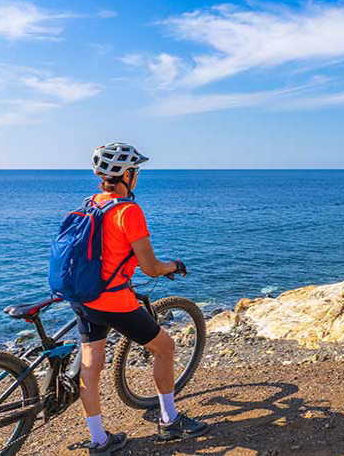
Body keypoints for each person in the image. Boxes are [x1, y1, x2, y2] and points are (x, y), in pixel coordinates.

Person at [73, 142, 208, 455]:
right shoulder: (127, 211)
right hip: (113, 301)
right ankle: (170, 421)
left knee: (91, 368)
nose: (138, 177)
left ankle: (99, 441)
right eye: (136, 171)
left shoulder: (91, 203)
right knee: (166, 347)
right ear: (127, 175)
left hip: (84, 296)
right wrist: (173, 266)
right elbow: (150, 267)